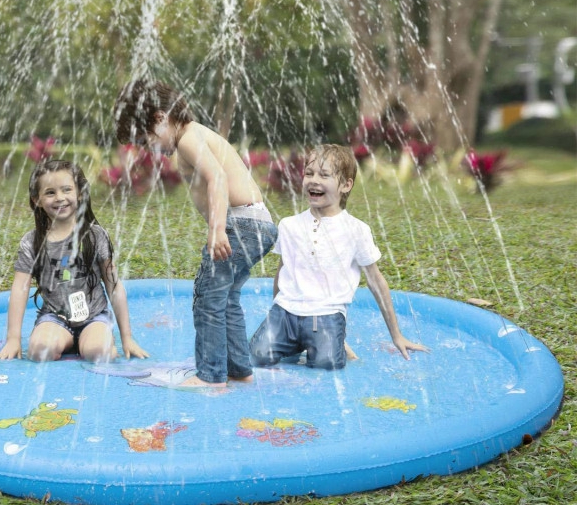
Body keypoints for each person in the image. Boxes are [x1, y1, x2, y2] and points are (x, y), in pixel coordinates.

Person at [114, 79, 278, 388]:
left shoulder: (189, 136)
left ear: (161, 118)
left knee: (207, 298)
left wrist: (217, 229)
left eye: (148, 139)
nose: (152, 149)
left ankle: (211, 376)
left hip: (238, 223)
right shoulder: (194, 137)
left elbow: (216, 176)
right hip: (259, 223)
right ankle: (238, 370)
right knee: (226, 298)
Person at [249, 144, 428, 370]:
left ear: (345, 185)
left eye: (324, 175)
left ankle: (333, 340)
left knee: (327, 365)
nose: (314, 180)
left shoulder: (356, 230)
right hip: (285, 313)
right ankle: (298, 343)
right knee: (256, 358)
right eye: (309, 173)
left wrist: (397, 336)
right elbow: (282, 272)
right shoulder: (289, 225)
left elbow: (376, 281)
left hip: (326, 315)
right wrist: (274, 316)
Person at [0, 159, 149, 363]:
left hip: (94, 317)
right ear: (37, 200)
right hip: (55, 318)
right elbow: (19, 290)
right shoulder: (31, 243)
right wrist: (13, 339)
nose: (60, 198)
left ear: (79, 193)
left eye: (66, 190)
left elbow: (113, 285)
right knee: (40, 352)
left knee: (100, 353)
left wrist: (127, 338)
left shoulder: (95, 236)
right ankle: (67, 340)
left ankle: (97, 338)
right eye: (50, 192)